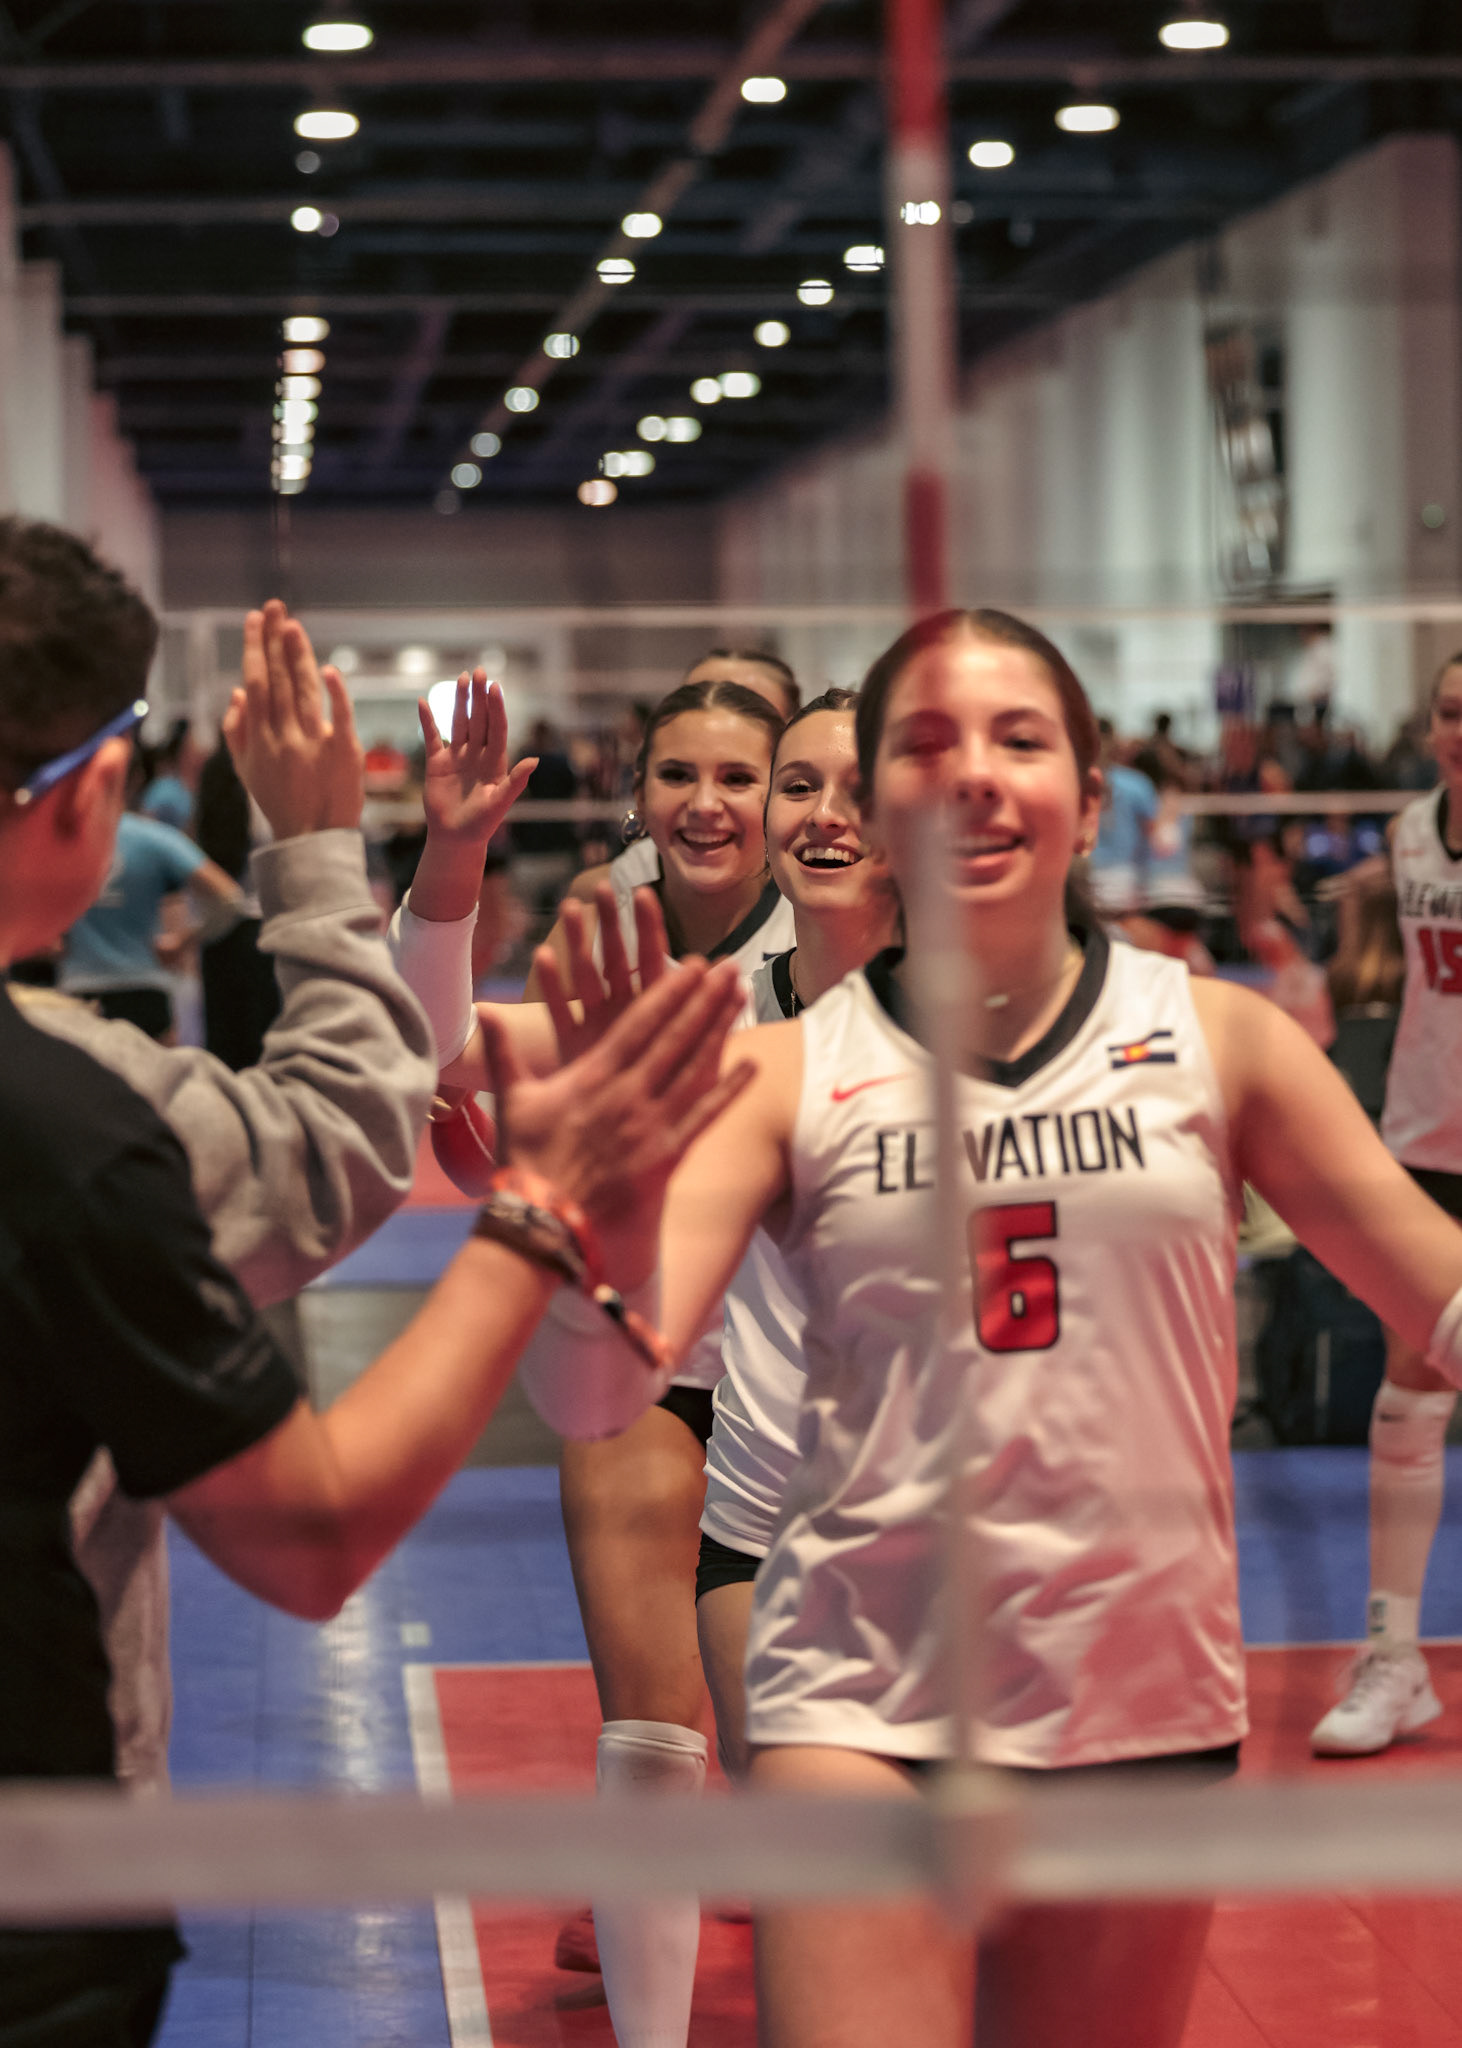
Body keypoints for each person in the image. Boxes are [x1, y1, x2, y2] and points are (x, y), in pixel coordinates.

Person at [525, 605, 1462, 2048]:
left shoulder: (1221, 1042)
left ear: (1090, 798)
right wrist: (577, 1201)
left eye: (1017, 739)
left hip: (1133, 1692)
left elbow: (1437, 1299)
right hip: (857, 1689)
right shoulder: (775, 1070)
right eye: (926, 744)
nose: (971, 774)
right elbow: (596, 1388)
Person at [0, 516, 751, 2045]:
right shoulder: (73, 1127)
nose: (725, 802)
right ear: (88, 793)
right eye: (691, 769)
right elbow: (310, 1515)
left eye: (771, 774)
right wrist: (542, 1203)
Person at [394, 669, 794, 2046]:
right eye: (679, 773)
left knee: (799, 1763)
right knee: (650, 1737)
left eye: (742, 776)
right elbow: (439, 1052)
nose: (707, 802)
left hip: (816, 1381)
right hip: (649, 1360)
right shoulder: (607, 928)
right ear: (638, 792)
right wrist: (453, 854)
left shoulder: (847, 939)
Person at [17, 598, 439, 1794]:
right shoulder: (83, 1114)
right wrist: (315, 846)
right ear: (95, 789)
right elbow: (338, 1140)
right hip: (47, 1823)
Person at [1311, 651, 1462, 1756]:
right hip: (1426, 1137)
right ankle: (1394, 1655)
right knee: (1410, 1389)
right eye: (1451, 710)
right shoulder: (1410, 833)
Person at [60, 774, 244, 1041]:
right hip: (146, 989)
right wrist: (184, 941)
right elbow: (230, 899)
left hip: (80, 993)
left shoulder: (59, 842)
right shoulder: (155, 838)